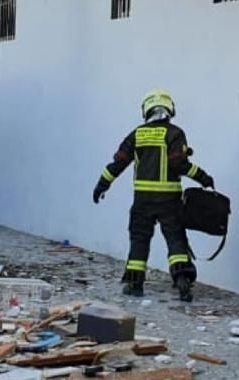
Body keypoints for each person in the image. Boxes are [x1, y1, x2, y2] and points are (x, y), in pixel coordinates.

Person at [92, 89, 216, 302]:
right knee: (175, 239)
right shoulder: (174, 133)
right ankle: (182, 281)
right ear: (169, 109)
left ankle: (134, 284)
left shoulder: (137, 134)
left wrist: (102, 185)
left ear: (146, 110)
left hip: (142, 200)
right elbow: (179, 162)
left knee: (139, 239)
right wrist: (204, 178)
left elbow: (119, 162)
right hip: (169, 200)